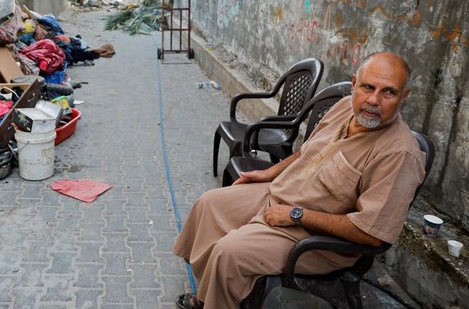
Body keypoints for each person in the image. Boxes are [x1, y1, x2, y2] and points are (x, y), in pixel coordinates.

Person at [173, 52, 426, 309]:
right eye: (368, 87)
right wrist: (269, 173)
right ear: (354, 84)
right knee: (209, 203)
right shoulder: (344, 107)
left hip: (314, 238)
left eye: (388, 92)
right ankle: (208, 295)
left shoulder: (399, 154)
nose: (373, 100)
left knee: (230, 253)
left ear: (403, 97)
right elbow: (308, 152)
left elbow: (371, 234)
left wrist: (296, 214)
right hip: (281, 195)